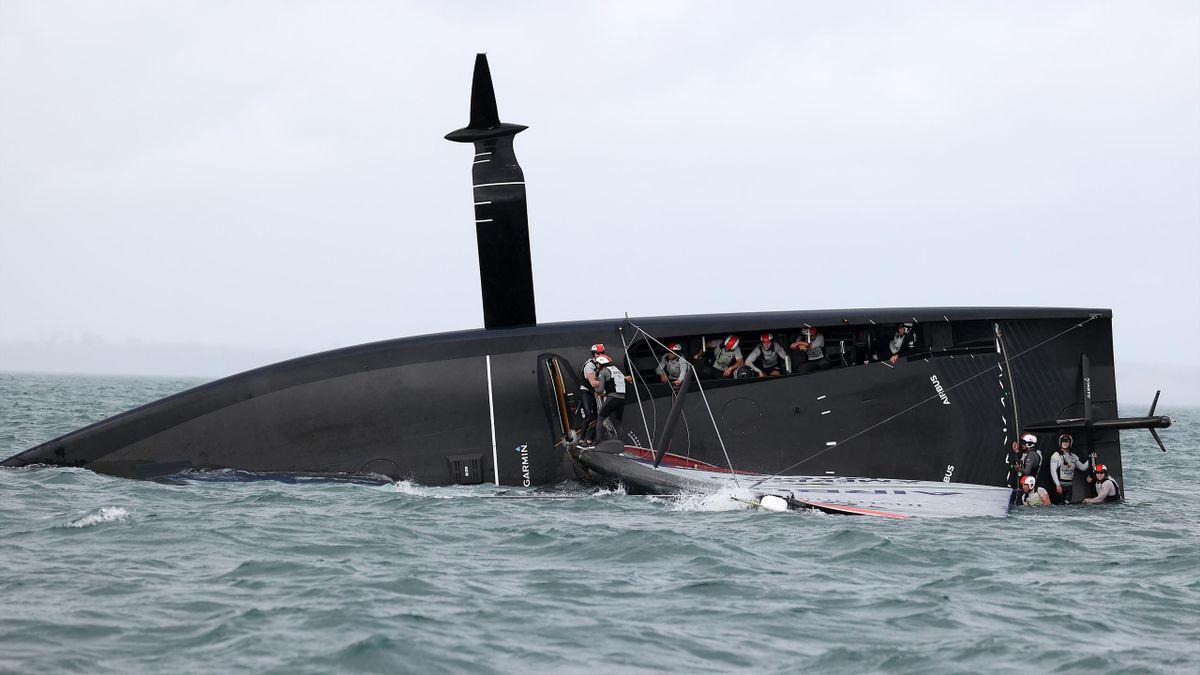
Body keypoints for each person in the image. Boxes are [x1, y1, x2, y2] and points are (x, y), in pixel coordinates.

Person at [594, 354, 632, 441]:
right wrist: (605, 394)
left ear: (600, 364)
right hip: (621, 399)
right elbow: (614, 387)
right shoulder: (616, 369)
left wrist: (596, 390)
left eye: (597, 363)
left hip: (613, 398)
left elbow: (600, 390)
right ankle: (622, 442)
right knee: (617, 423)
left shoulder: (603, 372)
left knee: (600, 418)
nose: (596, 365)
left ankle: (598, 441)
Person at [1049, 433, 1089, 504]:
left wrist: (1091, 458)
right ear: (1060, 443)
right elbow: (1053, 471)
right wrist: (1057, 485)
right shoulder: (1056, 455)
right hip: (1060, 486)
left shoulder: (1073, 456)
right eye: (1063, 441)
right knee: (1060, 507)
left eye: (1067, 442)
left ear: (1070, 443)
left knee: (1068, 507)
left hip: (1069, 487)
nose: (1065, 443)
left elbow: (1083, 468)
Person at [578, 344, 605, 443]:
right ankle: (581, 439)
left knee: (600, 417)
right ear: (594, 354)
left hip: (594, 393)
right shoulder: (590, 365)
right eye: (598, 353)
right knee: (589, 415)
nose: (601, 355)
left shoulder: (603, 364)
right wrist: (606, 381)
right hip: (586, 391)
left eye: (602, 353)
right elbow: (593, 383)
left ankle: (591, 439)